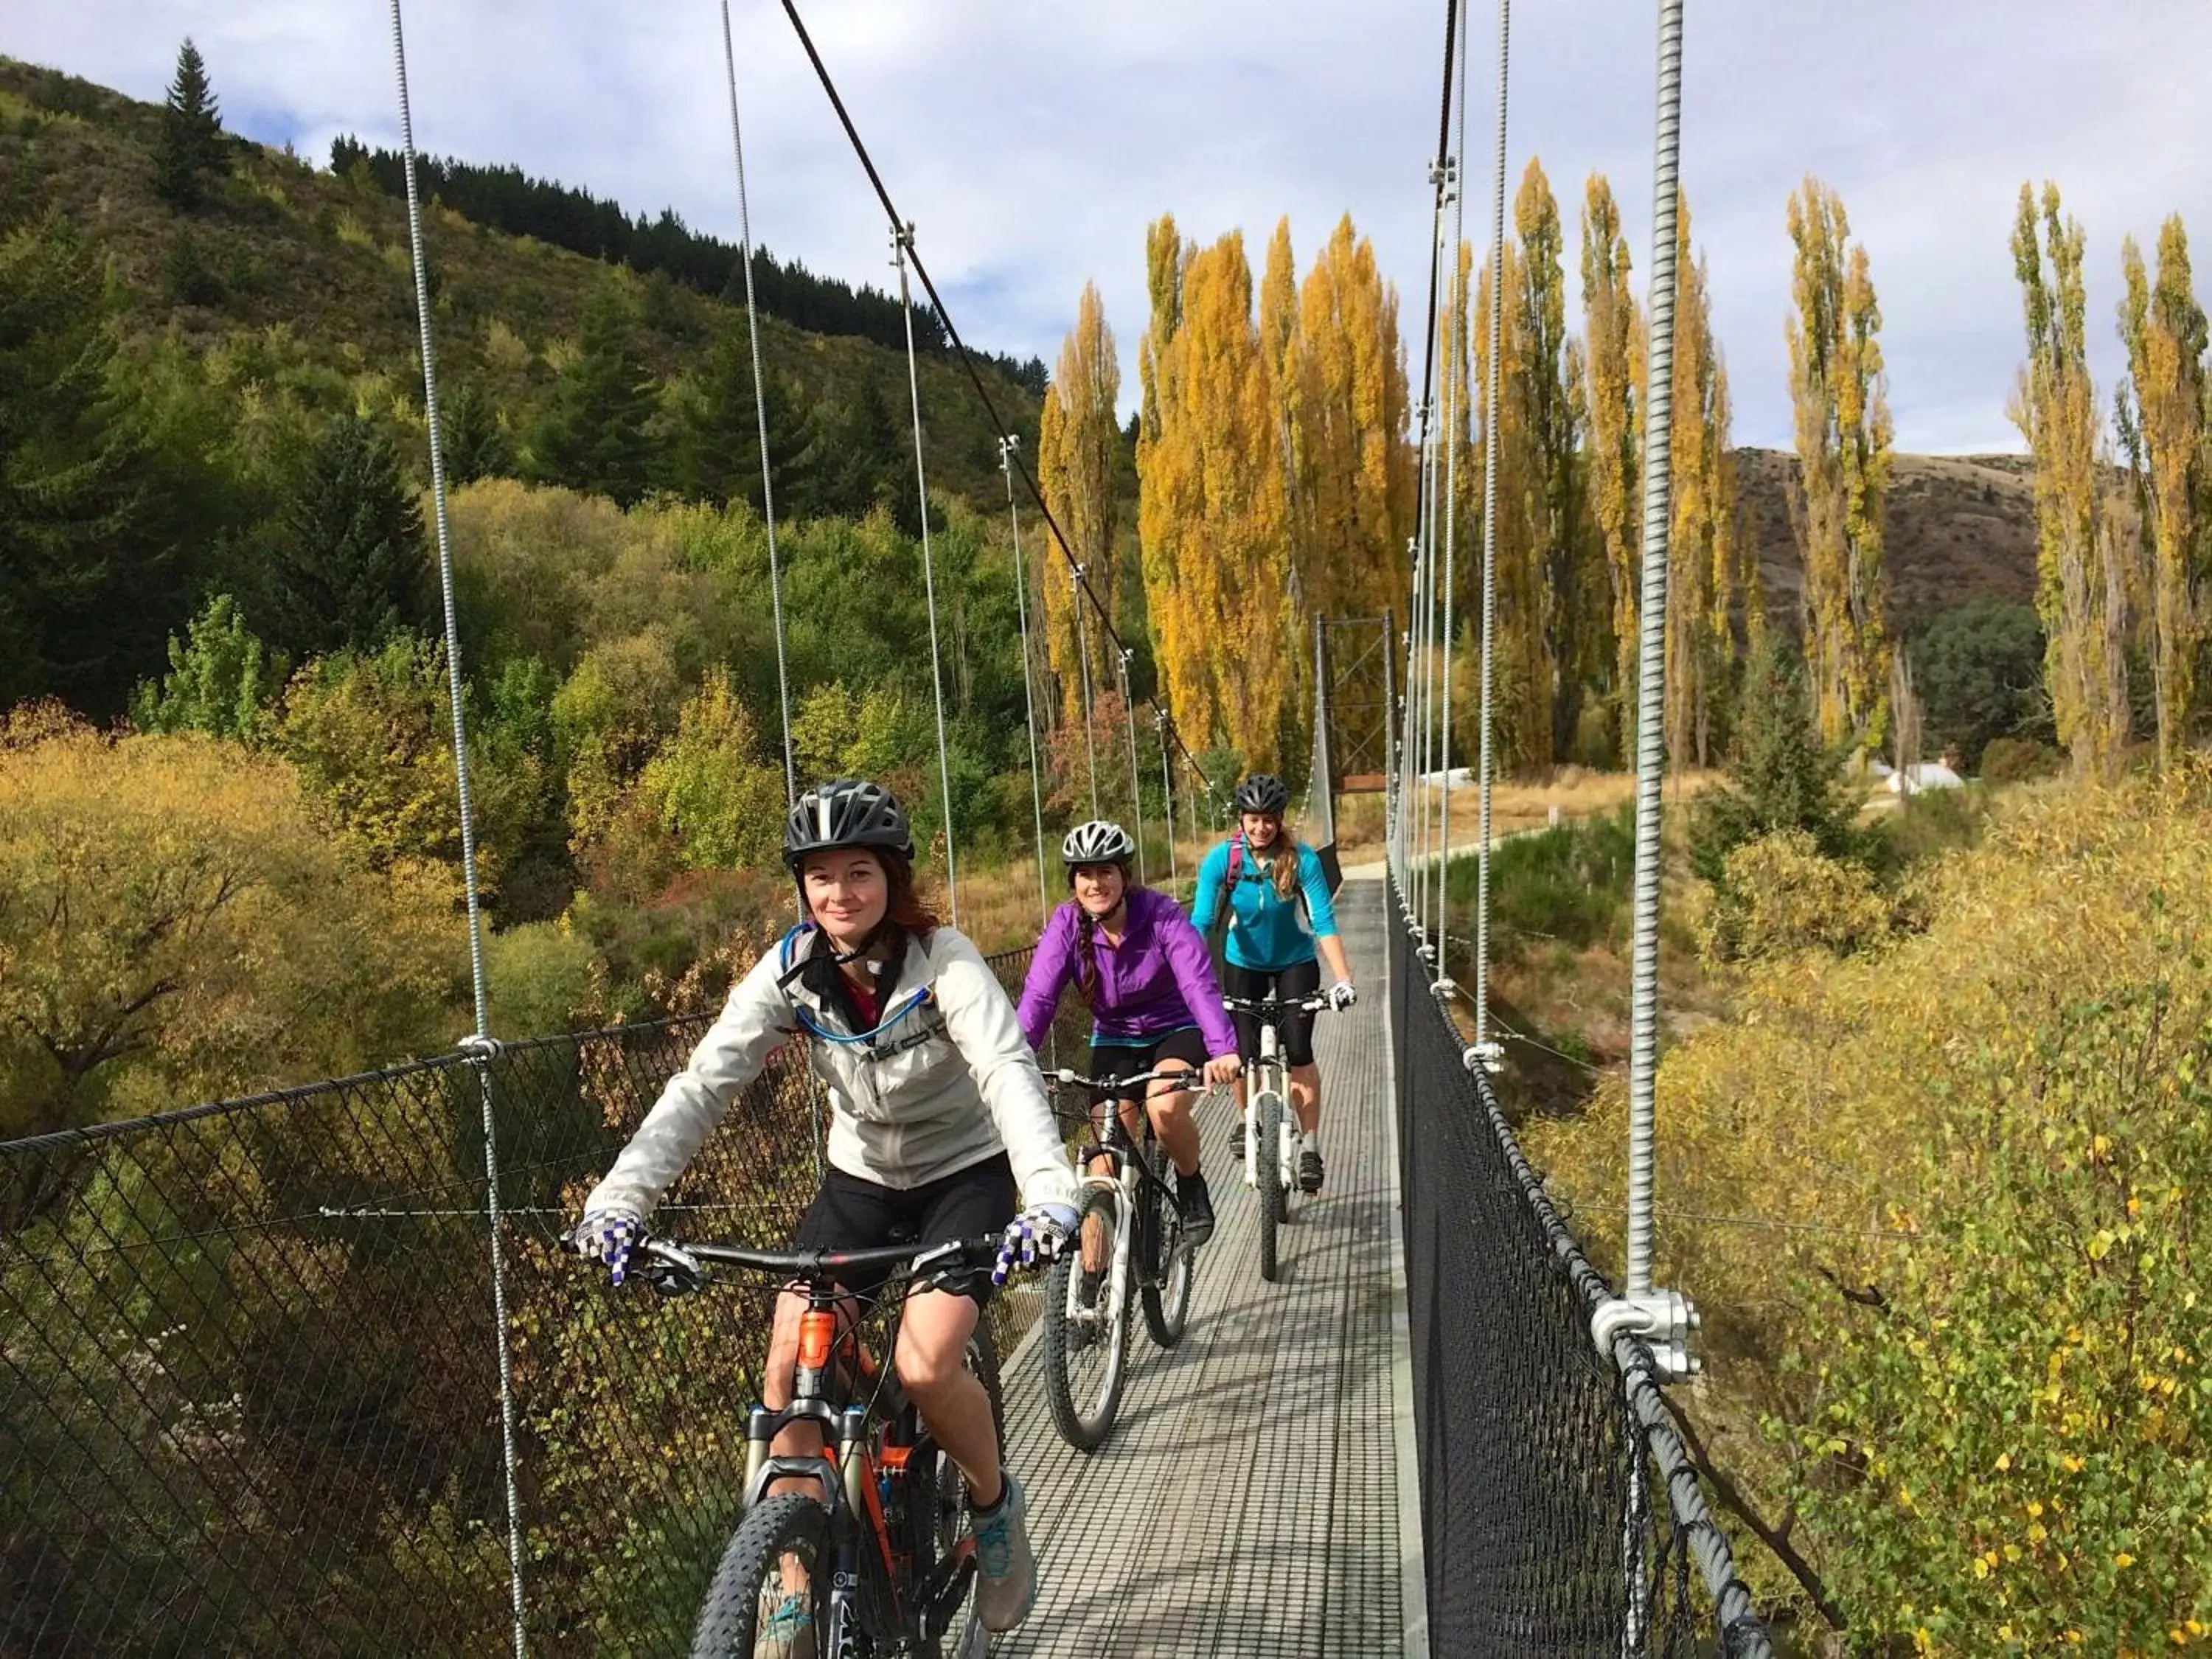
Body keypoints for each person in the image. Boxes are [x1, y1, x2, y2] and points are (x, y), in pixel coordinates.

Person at [572, 779, 1079, 1644]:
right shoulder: (791, 970)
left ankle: (994, 1513)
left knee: (922, 1367)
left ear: (893, 879)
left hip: (965, 1176)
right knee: (788, 1366)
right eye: (819, 876)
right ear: (801, 887)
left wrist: (1051, 1194)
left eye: (860, 873)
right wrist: (619, 1202)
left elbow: (1005, 1069)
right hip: (862, 1181)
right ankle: (791, 1576)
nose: (840, 893)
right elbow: (703, 1084)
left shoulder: (944, 962)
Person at [1015, 820, 1242, 1248]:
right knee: (1103, 1160)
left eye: (1106, 871)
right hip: (1114, 1037)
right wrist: (1015, 1063)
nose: (1096, 883)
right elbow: (1039, 999)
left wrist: (1222, 1049)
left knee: (1163, 1108)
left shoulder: (1160, 915)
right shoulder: (1066, 925)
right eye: (1085, 874)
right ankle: (1088, 1294)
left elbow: (1197, 983)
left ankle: (1192, 1187)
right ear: (1073, 881)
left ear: (1124, 875)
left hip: (1173, 1029)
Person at [1187, 773, 1356, 1194]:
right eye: (1253, 818)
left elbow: (1322, 920)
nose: (1261, 827)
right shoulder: (1220, 861)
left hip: (1295, 963)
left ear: (1280, 820)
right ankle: (1247, 1122)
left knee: (1298, 1051)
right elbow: (1201, 922)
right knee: (1240, 1056)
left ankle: (1311, 1147)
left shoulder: (1302, 860)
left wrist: (1344, 979)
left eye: (1269, 819)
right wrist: (1186, 979)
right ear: (1241, 819)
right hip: (1242, 964)